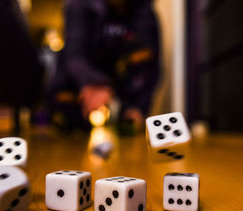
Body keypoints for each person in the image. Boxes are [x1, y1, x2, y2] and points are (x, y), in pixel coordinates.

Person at [48, 0, 160, 131]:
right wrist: (95, 84)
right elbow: (74, 55)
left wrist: (138, 108)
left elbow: (152, 68)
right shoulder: (78, 6)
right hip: (77, 103)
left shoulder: (145, 15)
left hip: (123, 108)